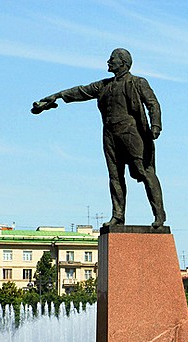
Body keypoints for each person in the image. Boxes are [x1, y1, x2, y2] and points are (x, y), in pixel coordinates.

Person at [32, 48, 166, 229]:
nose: (108, 62)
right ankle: (118, 216)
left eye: (112, 59)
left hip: (132, 132)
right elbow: (81, 91)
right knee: (115, 176)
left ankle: (159, 215)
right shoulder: (105, 85)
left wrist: (155, 126)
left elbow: (153, 104)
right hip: (110, 133)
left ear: (123, 63)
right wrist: (56, 96)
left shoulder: (137, 82)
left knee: (145, 172)